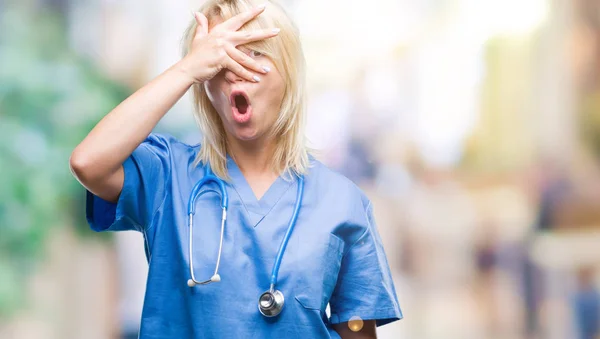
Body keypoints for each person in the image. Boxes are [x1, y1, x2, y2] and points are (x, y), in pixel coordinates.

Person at [69, 0, 402, 338]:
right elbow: (88, 162)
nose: (234, 69)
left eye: (254, 53)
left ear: (288, 69)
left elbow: (357, 331)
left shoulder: (342, 201)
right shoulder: (167, 175)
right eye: (219, 55)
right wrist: (186, 69)